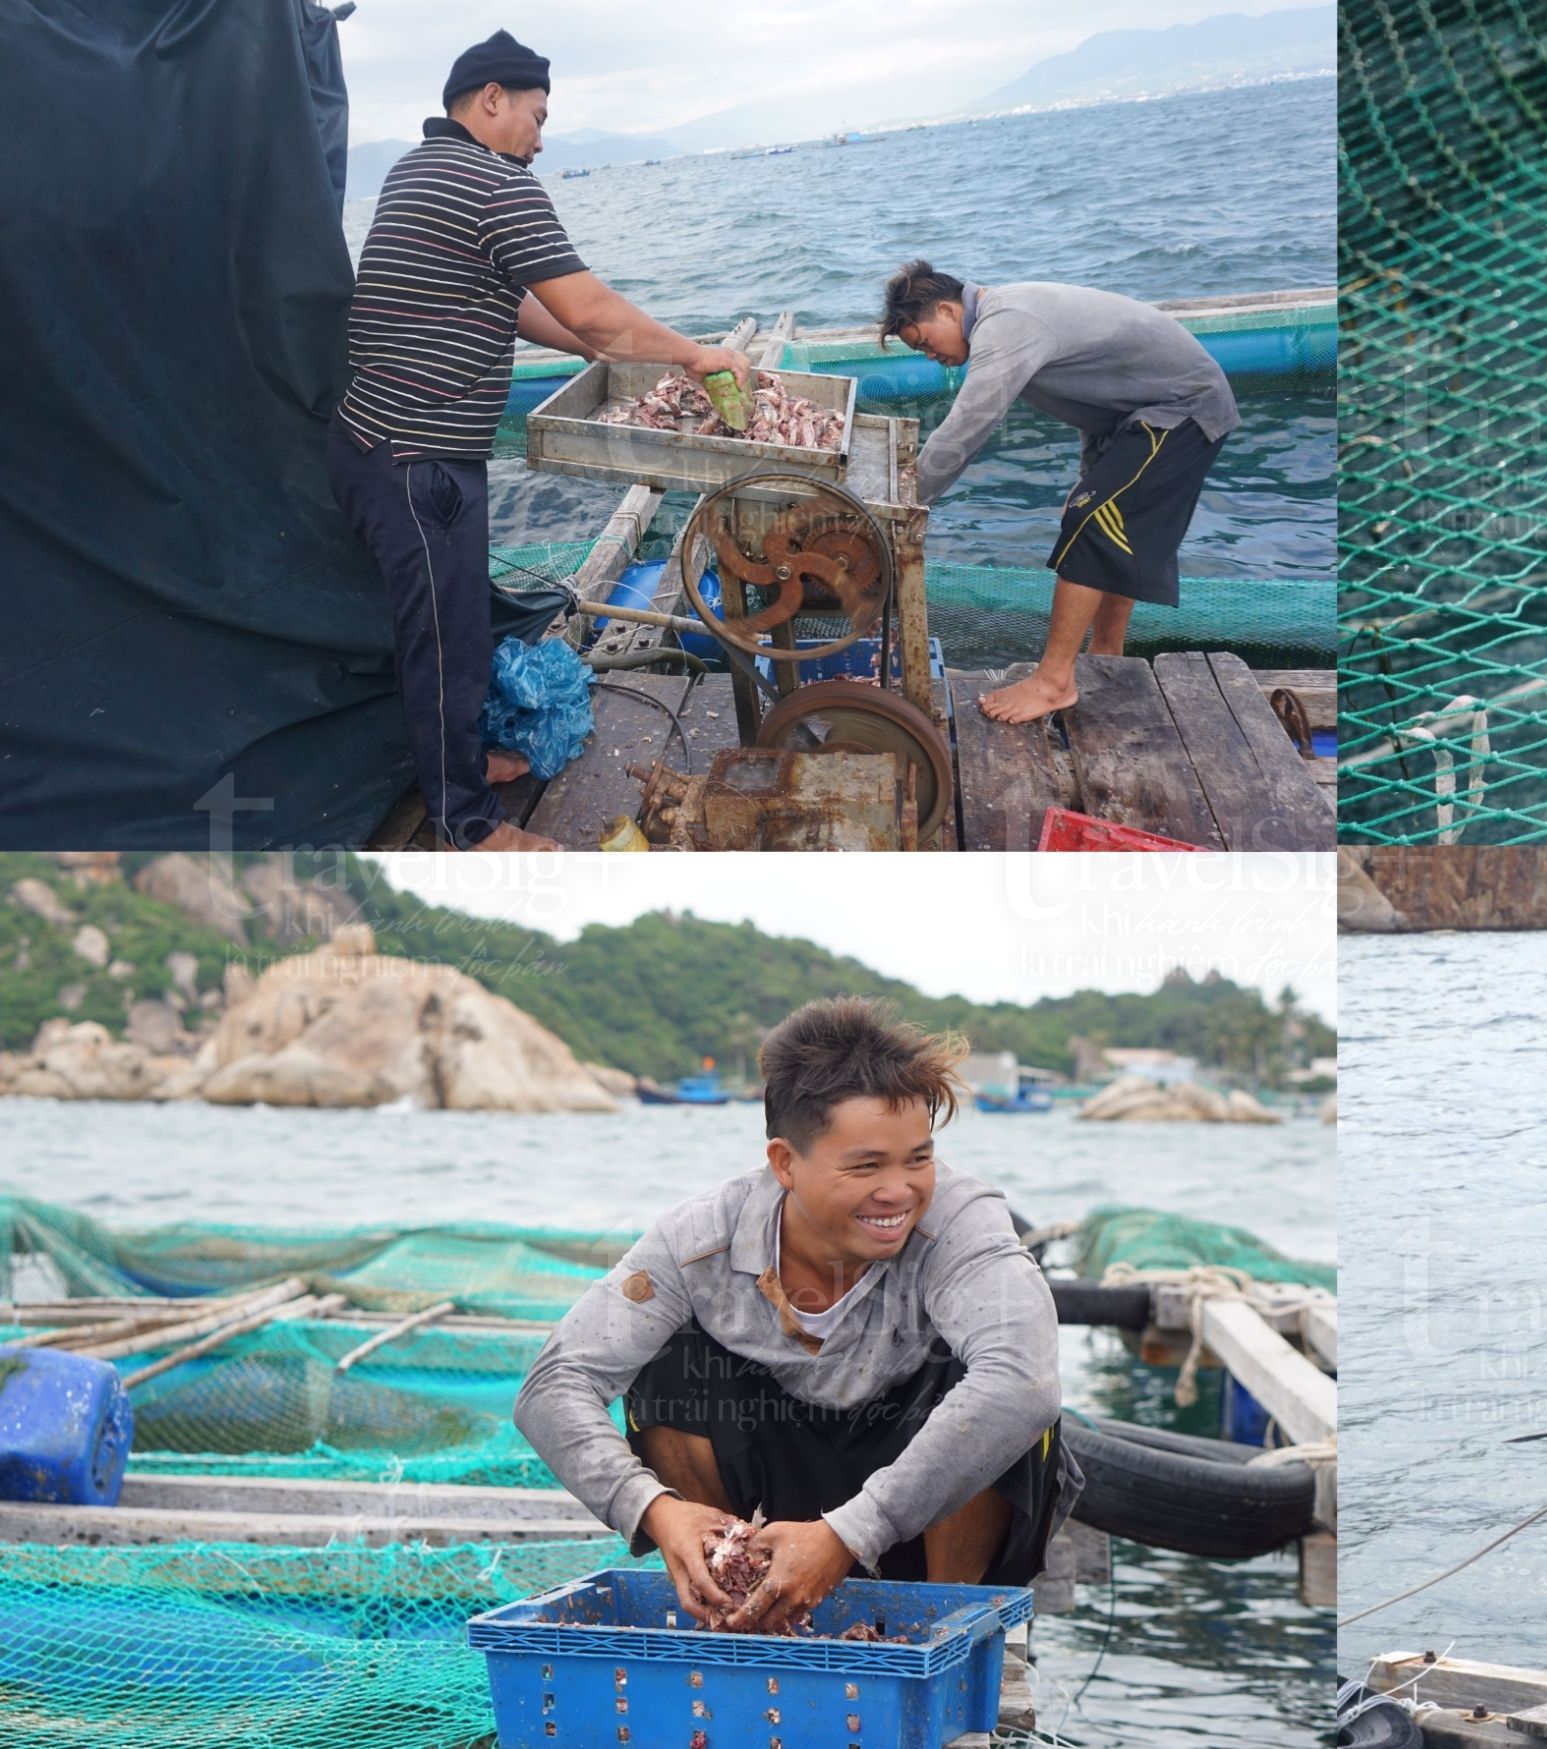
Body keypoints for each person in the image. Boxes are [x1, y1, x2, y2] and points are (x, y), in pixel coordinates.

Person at [514, 998, 1080, 1632]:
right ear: (785, 1162)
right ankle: (740, 1602)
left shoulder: (962, 1223)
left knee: (1006, 1391)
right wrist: (652, 1508)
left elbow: (1023, 1384)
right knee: (669, 1365)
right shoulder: (699, 1240)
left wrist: (848, 1533)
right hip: (770, 1495)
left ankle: (939, 1626)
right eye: (865, 1165)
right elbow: (553, 1385)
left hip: (920, 1504)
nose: (899, 1191)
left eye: (918, 1158)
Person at [328, 30, 752, 851]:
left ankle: (456, 760)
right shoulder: (495, 181)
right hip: (418, 458)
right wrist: (696, 355)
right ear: (493, 99)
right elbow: (594, 308)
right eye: (537, 113)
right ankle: (467, 824)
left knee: (446, 625)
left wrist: (588, 345)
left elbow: (506, 297)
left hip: (373, 444)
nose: (542, 135)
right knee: (444, 641)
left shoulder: (420, 168)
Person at [879, 261, 1239, 724]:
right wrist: (1091, 475)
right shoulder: (1007, 315)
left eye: (925, 342)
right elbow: (1101, 402)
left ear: (948, 310)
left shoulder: (1006, 325)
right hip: (1147, 416)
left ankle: (1053, 682)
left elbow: (966, 428)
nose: (929, 355)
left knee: (1089, 523)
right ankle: (1108, 657)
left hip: (1182, 411)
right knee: (1105, 520)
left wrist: (904, 501)